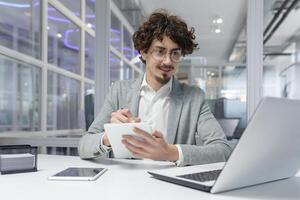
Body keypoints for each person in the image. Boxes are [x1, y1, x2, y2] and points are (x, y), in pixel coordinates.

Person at [78, 10, 232, 166]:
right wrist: (109, 136)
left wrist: (170, 152)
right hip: (125, 183)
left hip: (172, 185)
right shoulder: (119, 91)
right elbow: (84, 145)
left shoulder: (194, 98)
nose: (168, 61)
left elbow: (223, 150)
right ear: (144, 52)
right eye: (160, 51)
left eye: (175, 53)